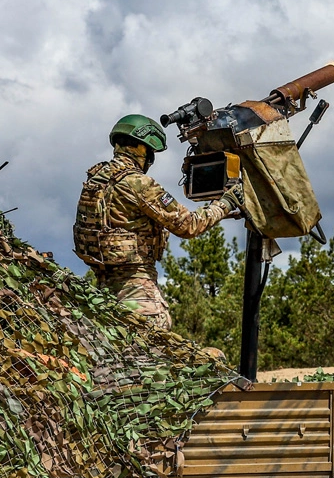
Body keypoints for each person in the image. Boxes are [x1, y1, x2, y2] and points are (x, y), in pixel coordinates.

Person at [73, 114, 241, 331]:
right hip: (137, 292)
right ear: (144, 149)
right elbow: (189, 225)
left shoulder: (97, 180)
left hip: (105, 289)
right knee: (151, 354)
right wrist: (225, 204)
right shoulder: (136, 182)